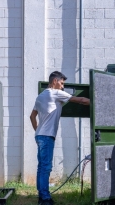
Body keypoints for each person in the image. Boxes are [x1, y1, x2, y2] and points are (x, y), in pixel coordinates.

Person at [29, 71, 90, 205]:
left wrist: (38, 130)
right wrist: (95, 102)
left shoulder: (40, 96)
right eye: (62, 83)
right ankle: (45, 199)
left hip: (39, 135)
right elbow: (79, 100)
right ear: (55, 81)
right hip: (46, 136)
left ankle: (41, 195)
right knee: (46, 167)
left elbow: (32, 116)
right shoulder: (54, 93)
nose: (62, 87)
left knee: (41, 166)